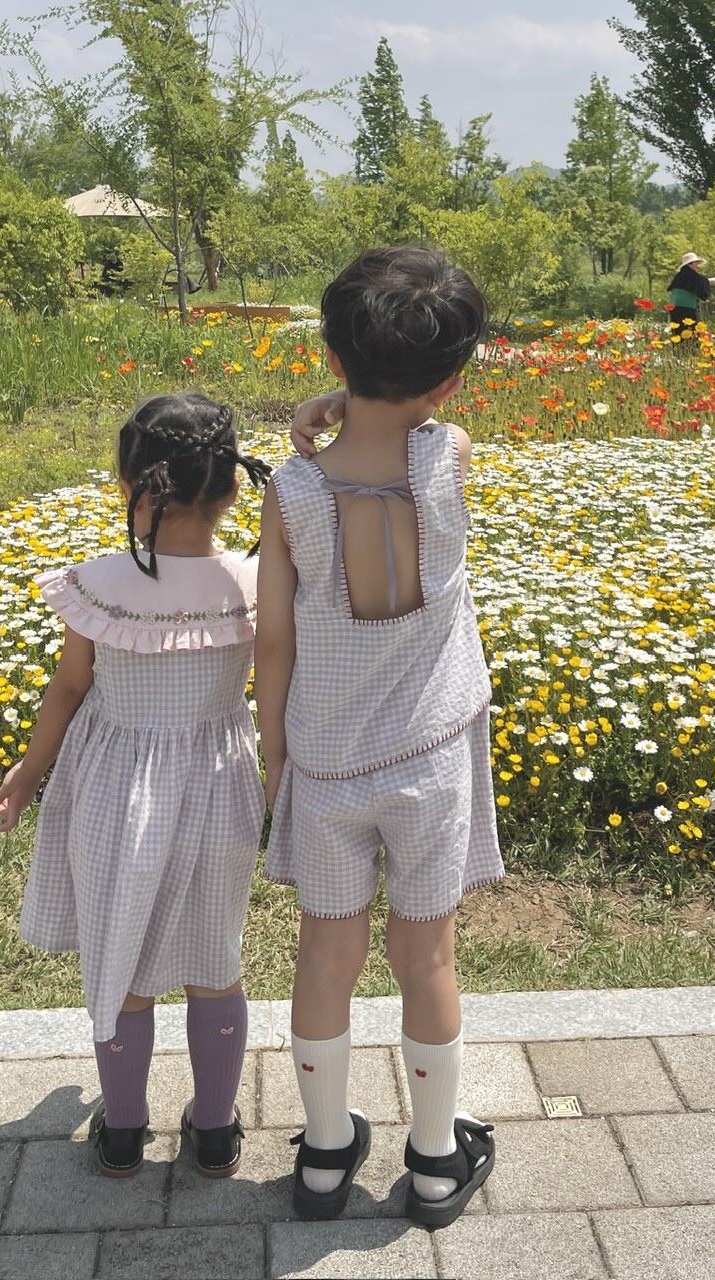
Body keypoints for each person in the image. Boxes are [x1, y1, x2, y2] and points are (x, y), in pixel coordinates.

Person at [255, 246, 504, 1228]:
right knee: (426, 955)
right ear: (452, 379)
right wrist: (348, 397)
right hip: (431, 756)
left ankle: (324, 1155)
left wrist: (275, 752)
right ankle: (436, 1162)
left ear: (331, 351)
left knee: (326, 953)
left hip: (325, 762)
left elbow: (274, 638)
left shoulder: (292, 491)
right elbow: (423, 419)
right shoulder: (451, 455)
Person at [0, 393, 271, 1180]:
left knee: (124, 960)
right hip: (219, 793)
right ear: (233, 488)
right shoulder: (253, 583)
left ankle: (121, 1132)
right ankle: (214, 1132)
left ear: (128, 486)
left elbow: (68, 688)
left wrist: (29, 770)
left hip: (115, 793)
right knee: (215, 960)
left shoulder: (100, 585)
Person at [667, 251, 715, 340]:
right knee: (690, 334)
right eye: (696, 263)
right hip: (686, 310)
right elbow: (707, 282)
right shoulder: (691, 275)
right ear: (690, 264)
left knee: (677, 334)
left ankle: (679, 349)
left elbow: (671, 291)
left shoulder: (679, 276)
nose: (698, 265)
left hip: (675, 310)